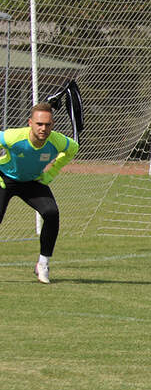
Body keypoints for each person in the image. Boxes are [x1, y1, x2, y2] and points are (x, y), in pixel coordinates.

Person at [0, 103, 79, 283]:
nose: (43, 128)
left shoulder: (57, 141)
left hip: (33, 181)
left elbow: (73, 149)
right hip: (5, 178)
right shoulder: (13, 137)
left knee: (51, 213)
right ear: (30, 123)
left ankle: (43, 264)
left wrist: (51, 172)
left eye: (47, 125)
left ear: (52, 124)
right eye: (39, 124)